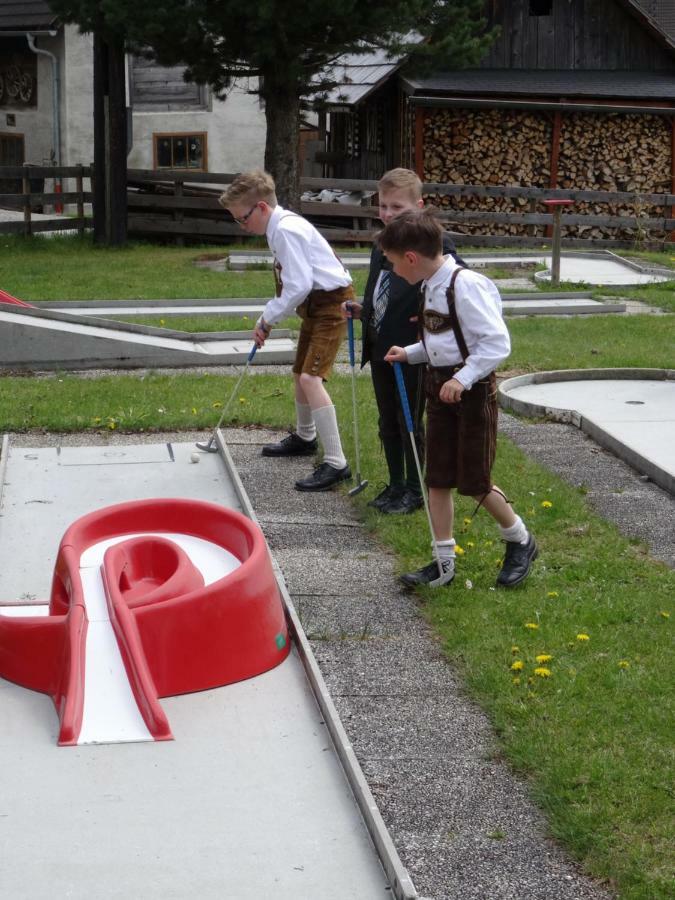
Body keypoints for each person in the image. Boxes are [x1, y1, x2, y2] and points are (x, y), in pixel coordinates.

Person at [382, 208, 537, 589]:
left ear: (412, 258)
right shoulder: (430, 284)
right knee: (436, 478)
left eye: (393, 263)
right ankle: (443, 563)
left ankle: (520, 539)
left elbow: (496, 343)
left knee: (474, 480)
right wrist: (411, 353)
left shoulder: (464, 285)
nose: (394, 271)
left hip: (472, 393)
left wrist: (463, 379)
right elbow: (442, 341)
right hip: (439, 390)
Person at [219, 170, 353, 492]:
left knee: (311, 378)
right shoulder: (276, 226)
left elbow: (298, 285)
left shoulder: (286, 230)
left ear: (262, 208)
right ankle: (306, 437)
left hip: (332, 304)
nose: (242, 225)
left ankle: (337, 463)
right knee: (299, 373)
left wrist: (267, 318)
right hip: (315, 304)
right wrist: (269, 316)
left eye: (243, 218)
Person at [343, 168, 465, 515]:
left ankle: (414, 488)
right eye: (383, 206)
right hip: (381, 345)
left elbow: (454, 285)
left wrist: (428, 319)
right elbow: (381, 290)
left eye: (397, 207)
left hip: (412, 350)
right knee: (387, 420)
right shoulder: (382, 244)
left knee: (408, 418)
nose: (388, 214)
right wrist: (362, 311)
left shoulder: (436, 244)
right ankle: (395, 483)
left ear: (419, 205)